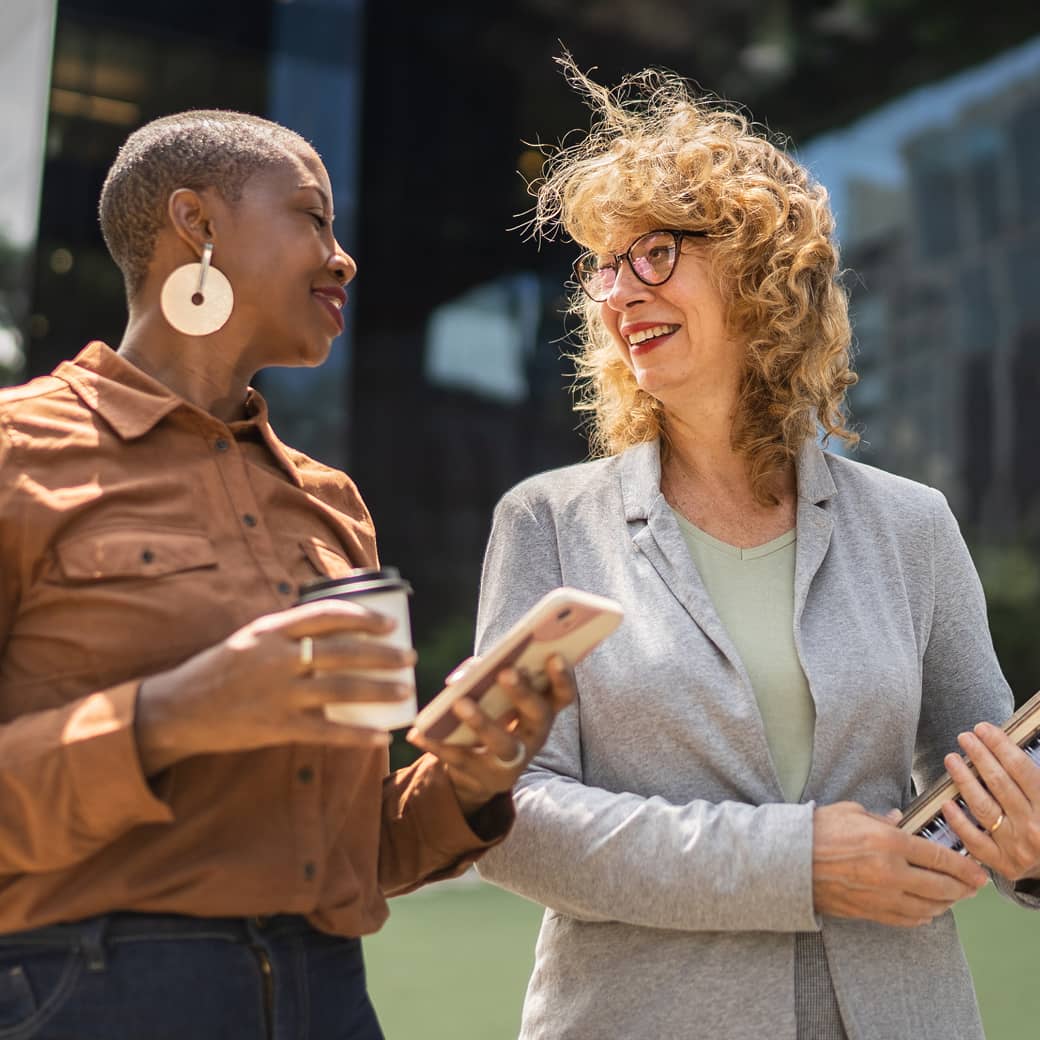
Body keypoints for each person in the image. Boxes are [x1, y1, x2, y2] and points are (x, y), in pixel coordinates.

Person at [474, 57, 1040, 1040]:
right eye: (602, 265)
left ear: (757, 267)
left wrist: (1028, 843)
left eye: (652, 252)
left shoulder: (912, 527)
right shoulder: (546, 523)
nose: (615, 292)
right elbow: (505, 814)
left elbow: (984, 784)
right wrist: (794, 861)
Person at [0, 110, 574, 1040]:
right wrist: (178, 712)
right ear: (198, 224)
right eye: (313, 218)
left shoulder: (332, 505)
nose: (343, 258)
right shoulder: (16, 451)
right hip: (89, 995)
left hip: (329, 998)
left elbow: (357, 851)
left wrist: (465, 777)